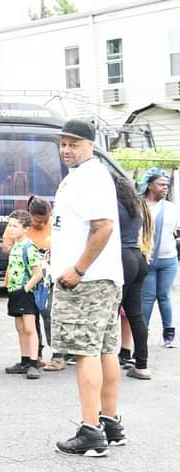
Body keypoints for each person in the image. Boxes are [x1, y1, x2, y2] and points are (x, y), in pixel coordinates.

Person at [51, 119, 125, 457]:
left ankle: (90, 430)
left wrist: (78, 269)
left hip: (87, 280)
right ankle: (110, 423)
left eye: (74, 144)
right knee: (106, 349)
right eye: (63, 143)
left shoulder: (91, 177)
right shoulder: (82, 177)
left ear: (90, 145)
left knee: (85, 352)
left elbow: (104, 226)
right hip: (102, 279)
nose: (67, 149)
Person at [114, 172, 152, 380]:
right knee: (136, 315)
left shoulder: (113, 207)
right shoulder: (135, 207)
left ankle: (104, 361)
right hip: (138, 257)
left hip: (121, 259)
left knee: (109, 312)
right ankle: (142, 366)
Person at [139, 168, 178, 348]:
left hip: (167, 260)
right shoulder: (139, 207)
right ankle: (142, 334)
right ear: (149, 185)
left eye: (167, 185)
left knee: (164, 296)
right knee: (147, 297)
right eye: (161, 184)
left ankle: (169, 334)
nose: (165, 188)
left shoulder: (171, 209)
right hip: (146, 260)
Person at [2, 210, 44, 380]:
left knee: (29, 328)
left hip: (25, 293)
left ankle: (34, 362)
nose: (11, 229)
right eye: (9, 225)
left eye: (15, 226)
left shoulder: (29, 247)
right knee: (19, 328)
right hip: (14, 291)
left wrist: (25, 289)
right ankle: (24, 360)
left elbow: (37, 273)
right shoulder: (14, 247)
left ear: (26, 228)